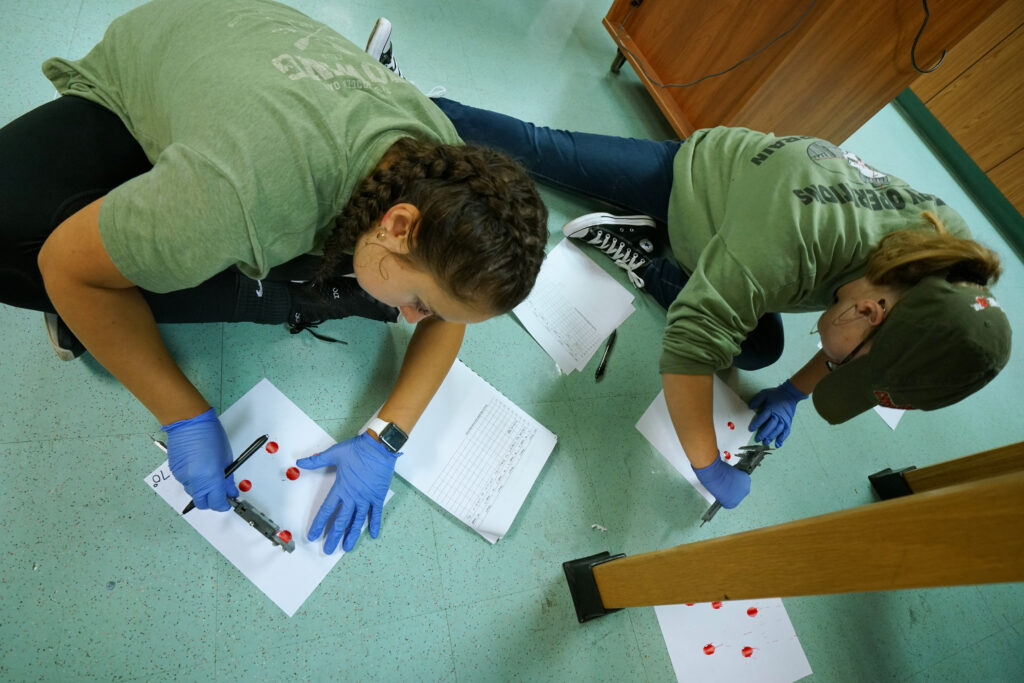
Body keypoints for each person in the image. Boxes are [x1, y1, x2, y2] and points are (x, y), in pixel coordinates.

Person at [364, 21, 1011, 511]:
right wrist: (707, 465)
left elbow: (876, 344)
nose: (833, 363)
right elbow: (687, 351)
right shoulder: (788, 247)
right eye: (845, 361)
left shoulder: (947, 249)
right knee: (544, 150)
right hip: (696, 180)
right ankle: (391, 94)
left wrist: (795, 390)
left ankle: (645, 254)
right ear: (869, 308)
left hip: (755, 231)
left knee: (759, 350)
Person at [0, 0, 548, 554]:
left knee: (372, 283)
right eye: (419, 303)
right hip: (153, 69)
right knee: (30, 258)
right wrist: (183, 414)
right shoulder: (243, 200)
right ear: (399, 224)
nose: (412, 319)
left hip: (250, 67)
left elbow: (451, 313)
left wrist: (387, 438)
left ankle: (149, 243)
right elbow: (67, 267)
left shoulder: (442, 167)